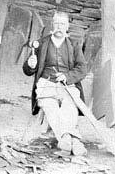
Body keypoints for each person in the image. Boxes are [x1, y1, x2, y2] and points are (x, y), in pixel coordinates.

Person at [23, 11, 88, 156]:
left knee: (69, 106)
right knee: (50, 107)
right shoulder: (41, 43)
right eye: (57, 23)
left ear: (67, 26)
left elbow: (82, 68)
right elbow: (27, 70)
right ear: (52, 25)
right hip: (46, 84)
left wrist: (67, 76)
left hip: (67, 85)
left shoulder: (74, 44)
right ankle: (73, 140)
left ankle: (66, 140)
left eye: (62, 24)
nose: (59, 27)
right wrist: (31, 64)